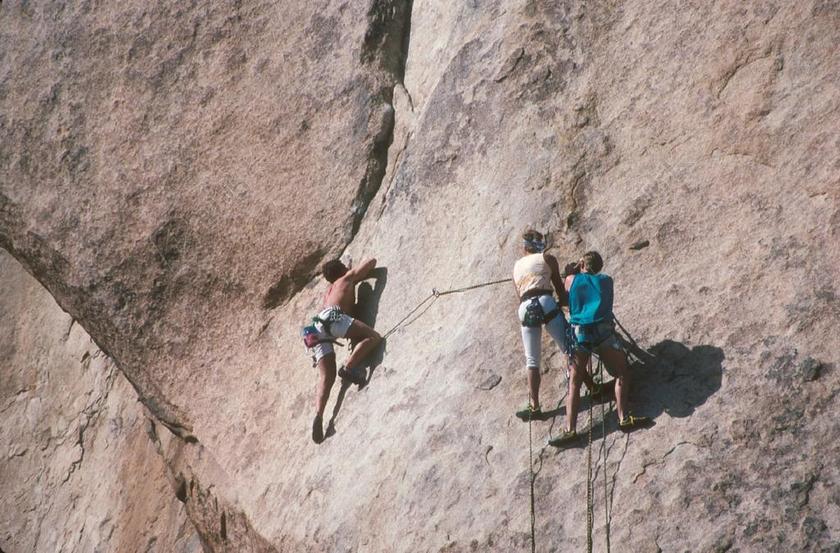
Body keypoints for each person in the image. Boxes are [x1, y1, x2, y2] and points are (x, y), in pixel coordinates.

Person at [550, 251, 648, 446]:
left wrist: (572, 271)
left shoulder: (571, 280)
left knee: (574, 383)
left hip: (580, 334)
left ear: (581, 264)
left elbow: (563, 300)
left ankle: (570, 430)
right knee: (622, 373)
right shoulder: (606, 281)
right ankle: (623, 417)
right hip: (603, 332)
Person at [512, 230, 598, 420]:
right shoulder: (548, 259)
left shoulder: (516, 266)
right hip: (545, 302)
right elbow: (561, 292)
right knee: (570, 349)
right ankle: (593, 387)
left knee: (532, 360)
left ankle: (534, 405)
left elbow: (521, 295)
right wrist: (570, 279)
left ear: (525, 247)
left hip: (525, 307)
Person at [303, 257, 382, 443]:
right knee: (373, 337)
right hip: (334, 317)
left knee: (326, 376)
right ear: (342, 269)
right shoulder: (346, 278)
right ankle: (349, 366)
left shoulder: (329, 291)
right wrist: (352, 272)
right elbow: (372, 262)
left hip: (315, 326)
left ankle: (319, 415)